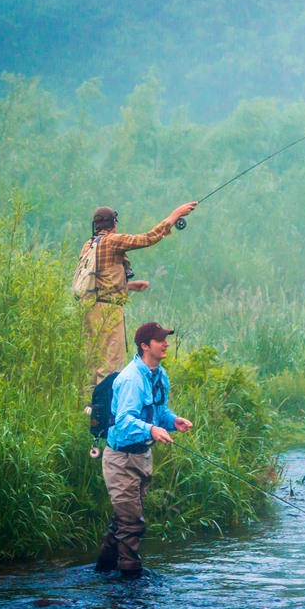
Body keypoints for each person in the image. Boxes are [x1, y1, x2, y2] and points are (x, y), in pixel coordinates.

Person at [95, 321, 193, 577]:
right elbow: (125, 421)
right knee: (132, 524)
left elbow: (158, 411)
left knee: (123, 521)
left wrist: (173, 421)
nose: (166, 343)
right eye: (160, 339)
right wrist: (151, 430)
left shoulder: (160, 375)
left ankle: (102, 572)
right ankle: (132, 579)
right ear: (145, 346)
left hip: (142, 457)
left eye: (166, 338)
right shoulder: (131, 379)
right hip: (121, 459)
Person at [81, 201, 197, 386]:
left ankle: (90, 408)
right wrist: (175, 214)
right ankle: (107, 411)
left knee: (94, 361)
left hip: (89, 309)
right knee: (110, 364)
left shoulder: (89, 245)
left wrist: (130, 287)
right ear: (114, 224)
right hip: (108, 312)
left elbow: (97, 285)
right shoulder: (112, 241)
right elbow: (147, 238)